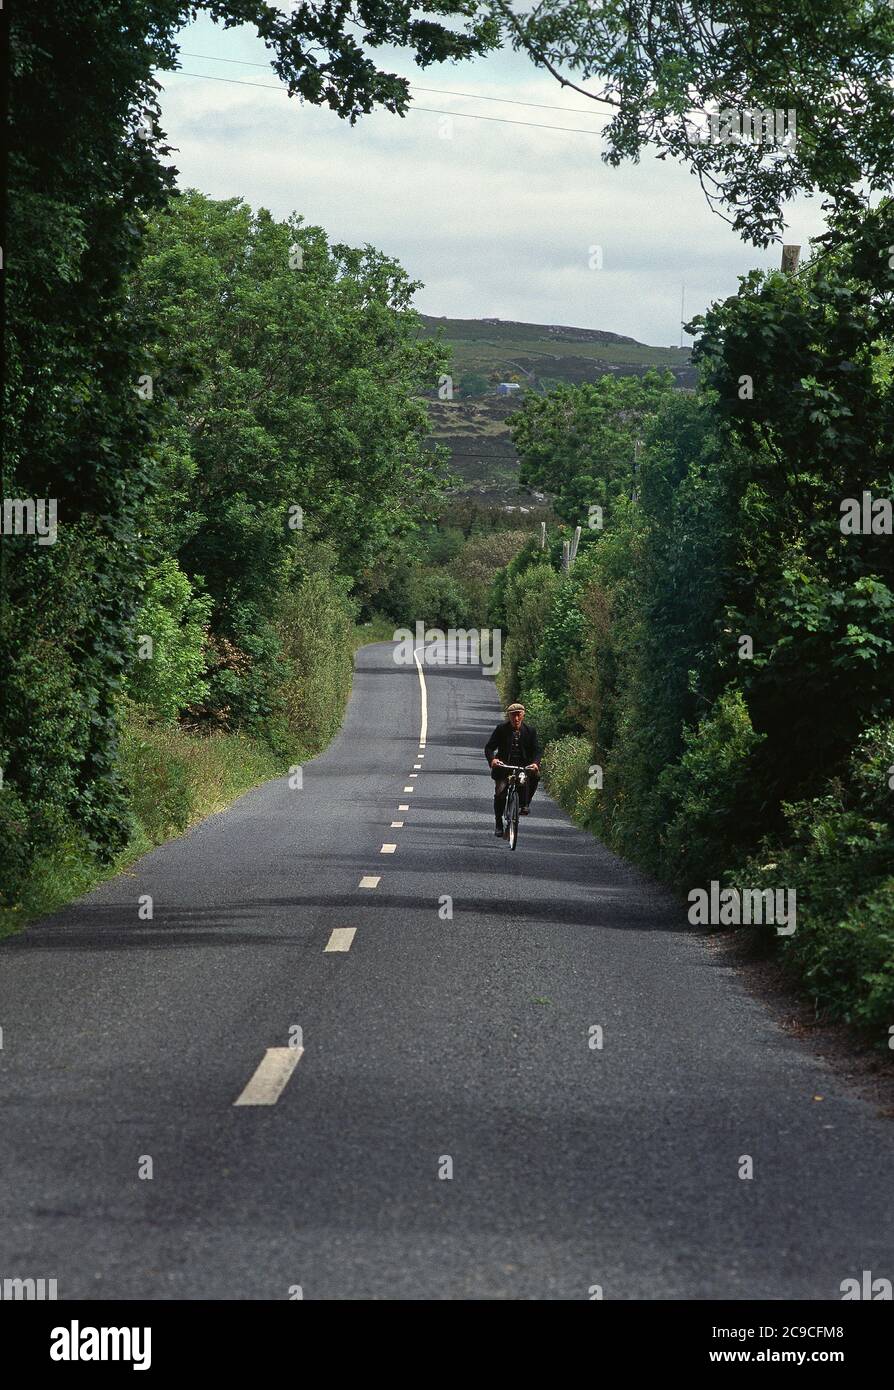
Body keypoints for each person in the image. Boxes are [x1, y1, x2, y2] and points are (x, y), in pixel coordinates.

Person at [484, 702, 542, 835]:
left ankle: (525, 804)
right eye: (513, 715)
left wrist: (535, 763)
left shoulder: (530, 731)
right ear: (508, 716)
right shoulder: (501, 729)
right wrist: (493, 759)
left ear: (523, 715)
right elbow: (489, 747)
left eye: (518, 715)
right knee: (500, 793)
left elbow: (537, 750)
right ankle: (498, 822)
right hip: (504, 767)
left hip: (523, 766)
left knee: (534, 777)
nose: (516, 719)